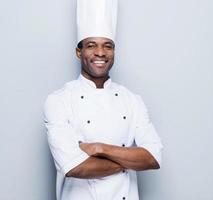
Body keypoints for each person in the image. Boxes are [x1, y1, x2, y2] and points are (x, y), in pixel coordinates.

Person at [43, 0, 163, 199]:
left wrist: (99, 148)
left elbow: (153, 158)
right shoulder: (58, 100)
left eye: (107, 46)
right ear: (78, 52)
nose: (100, 52)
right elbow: (75, 167)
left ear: (113, 52)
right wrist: (130, 161)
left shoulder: (132, 100)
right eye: (91, 45)